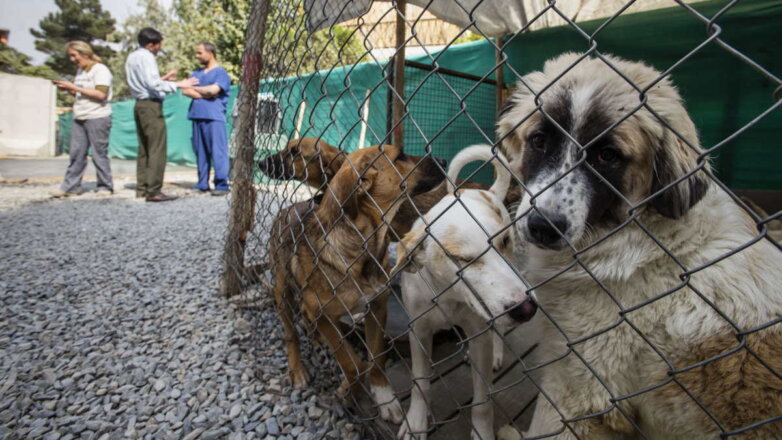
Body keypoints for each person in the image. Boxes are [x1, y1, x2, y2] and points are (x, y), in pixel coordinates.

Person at [125, 27, 198, 202]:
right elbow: (152, 84)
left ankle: (142, 188)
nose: (159, 49)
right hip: (151, 105)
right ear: (152, 45)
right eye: (159, 45)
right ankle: (154, 190)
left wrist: (164, 79)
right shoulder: (147, 57)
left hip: (139, 104)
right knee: (156, 148)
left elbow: (145, 82)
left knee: (144, 148)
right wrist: (179, 84)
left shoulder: (132, 57)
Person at [51, 41, 114, 197]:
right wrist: (69, 90)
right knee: (76, 153)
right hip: (80, 115)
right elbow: (82, 92)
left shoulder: (100, 70)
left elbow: (101, 94)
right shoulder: (80, 71)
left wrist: (74, 87)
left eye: (74, 55)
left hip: (97, 116)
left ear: (85, 54)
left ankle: (105, 186)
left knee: (99, 153)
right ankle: (71, 186)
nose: (72, 59)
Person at [182, 42, 232, 196]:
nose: (197, 56)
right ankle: (202, 184)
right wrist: (205, 92)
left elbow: (213, 90)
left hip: (214, 116)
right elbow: (185, 90)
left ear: (210, 53)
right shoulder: (196, 73)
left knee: (218, 152)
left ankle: (221, 184)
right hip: (197, 115)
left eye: (200, 53)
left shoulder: (221, 73)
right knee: (200, 152)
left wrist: (196, 89)